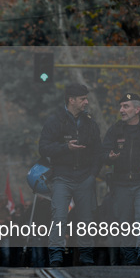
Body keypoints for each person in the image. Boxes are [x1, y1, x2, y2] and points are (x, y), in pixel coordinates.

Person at [39, 83, 102, 267]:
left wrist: (92, 175)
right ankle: (56, 255)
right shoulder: (54, 121)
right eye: (83, 99)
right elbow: (43, 148)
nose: (86, 102)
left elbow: (98, 152)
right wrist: (65, 147)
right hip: (62, 177)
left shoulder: (90, 123)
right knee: (59, 215)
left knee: (86, 219)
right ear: (71, 100)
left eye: (86, 98)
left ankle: (87, 256)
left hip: (85, 177)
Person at [102, 93, 140, 265]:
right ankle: (129, 257)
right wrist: (109, 157)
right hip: (120, 183)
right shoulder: (115, 130)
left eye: (126, 106)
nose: (122, 110)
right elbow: (103, 153)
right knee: (124, 222)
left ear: (137, 109)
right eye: (121, 106)